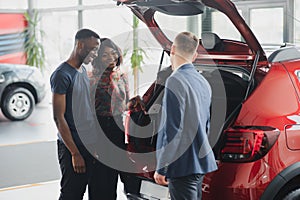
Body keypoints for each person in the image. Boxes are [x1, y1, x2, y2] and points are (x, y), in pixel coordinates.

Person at [154, 32, 218, 199]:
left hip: (182, 165)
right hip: (199, 161)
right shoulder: (203, 81)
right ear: (195, 55)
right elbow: (206, 124)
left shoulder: (175, 80)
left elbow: (173, 128)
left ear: (172, 49)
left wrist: (163, 167)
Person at [50, 29, 101, 200]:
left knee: (84, 190)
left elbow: (85, 109)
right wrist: (75, 153)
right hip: (73, 147)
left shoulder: (83, 72)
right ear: (80, 45)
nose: (95, 54)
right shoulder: (62, 75)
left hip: (88, 144)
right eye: (93, 49)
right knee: (71, 194)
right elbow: (59, 118)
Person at [90, 38, 140, 199]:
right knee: (102, 181)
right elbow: (87, 112)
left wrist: (134, 102)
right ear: (97, 58)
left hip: (118, 128)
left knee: (128, 177)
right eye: (105, 56)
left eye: (113, 54)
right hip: (99, 129)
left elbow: (124, 105)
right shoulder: (91, 79)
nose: (111, 58)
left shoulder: (121, 75)